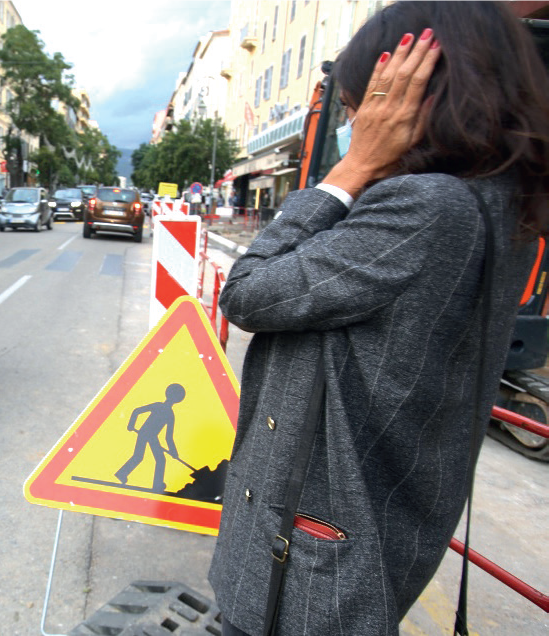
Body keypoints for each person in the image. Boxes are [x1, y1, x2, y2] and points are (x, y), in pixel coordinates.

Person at [209, 1, 549, 634]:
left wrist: (351, 169)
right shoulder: (494, 200)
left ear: (414, 97)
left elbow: (249, 292)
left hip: (311, 567)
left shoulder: (425, 209)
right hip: (353, 538)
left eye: (359, 102)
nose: (356, 121)